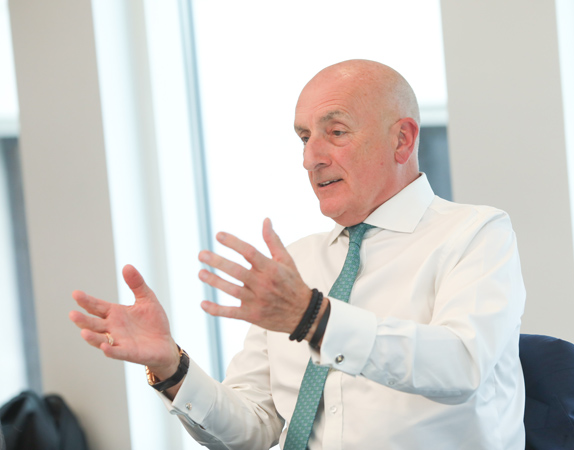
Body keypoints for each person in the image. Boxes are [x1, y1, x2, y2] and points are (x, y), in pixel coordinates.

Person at [70, 60, 527, 449]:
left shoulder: (475, 234)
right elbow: (252, 426)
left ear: (402, 140)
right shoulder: (297, 266)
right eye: (304, 137)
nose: (311, 158)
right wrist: (171, 368)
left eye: (336, 132)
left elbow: (461, 364)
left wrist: (315, 319)